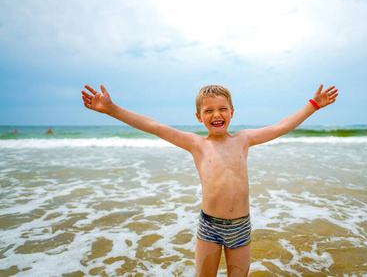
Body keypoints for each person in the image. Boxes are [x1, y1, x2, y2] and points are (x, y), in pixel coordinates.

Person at [81, 83, 338, 276]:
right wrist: (112, 110)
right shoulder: (196, 144)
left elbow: (281, 127)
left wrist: (313, 105)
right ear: (199, 117)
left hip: (240, 226)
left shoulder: (244, 139)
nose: (216, 114)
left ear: (232, 112)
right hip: (209, 228)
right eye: (209, 110)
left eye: (222, 109)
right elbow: (154, 126)